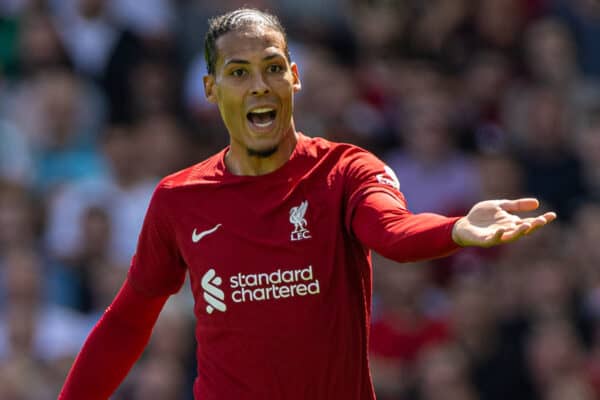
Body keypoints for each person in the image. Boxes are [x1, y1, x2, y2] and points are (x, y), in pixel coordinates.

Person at [58, 8, 556, 400]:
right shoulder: (178, 199)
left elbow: (393, 232)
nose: (260, 85)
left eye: (273, 67)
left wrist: (453, 230)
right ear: (211, 88)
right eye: (238, 72)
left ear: (295, 77)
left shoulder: (345, 170)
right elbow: (128, 320)